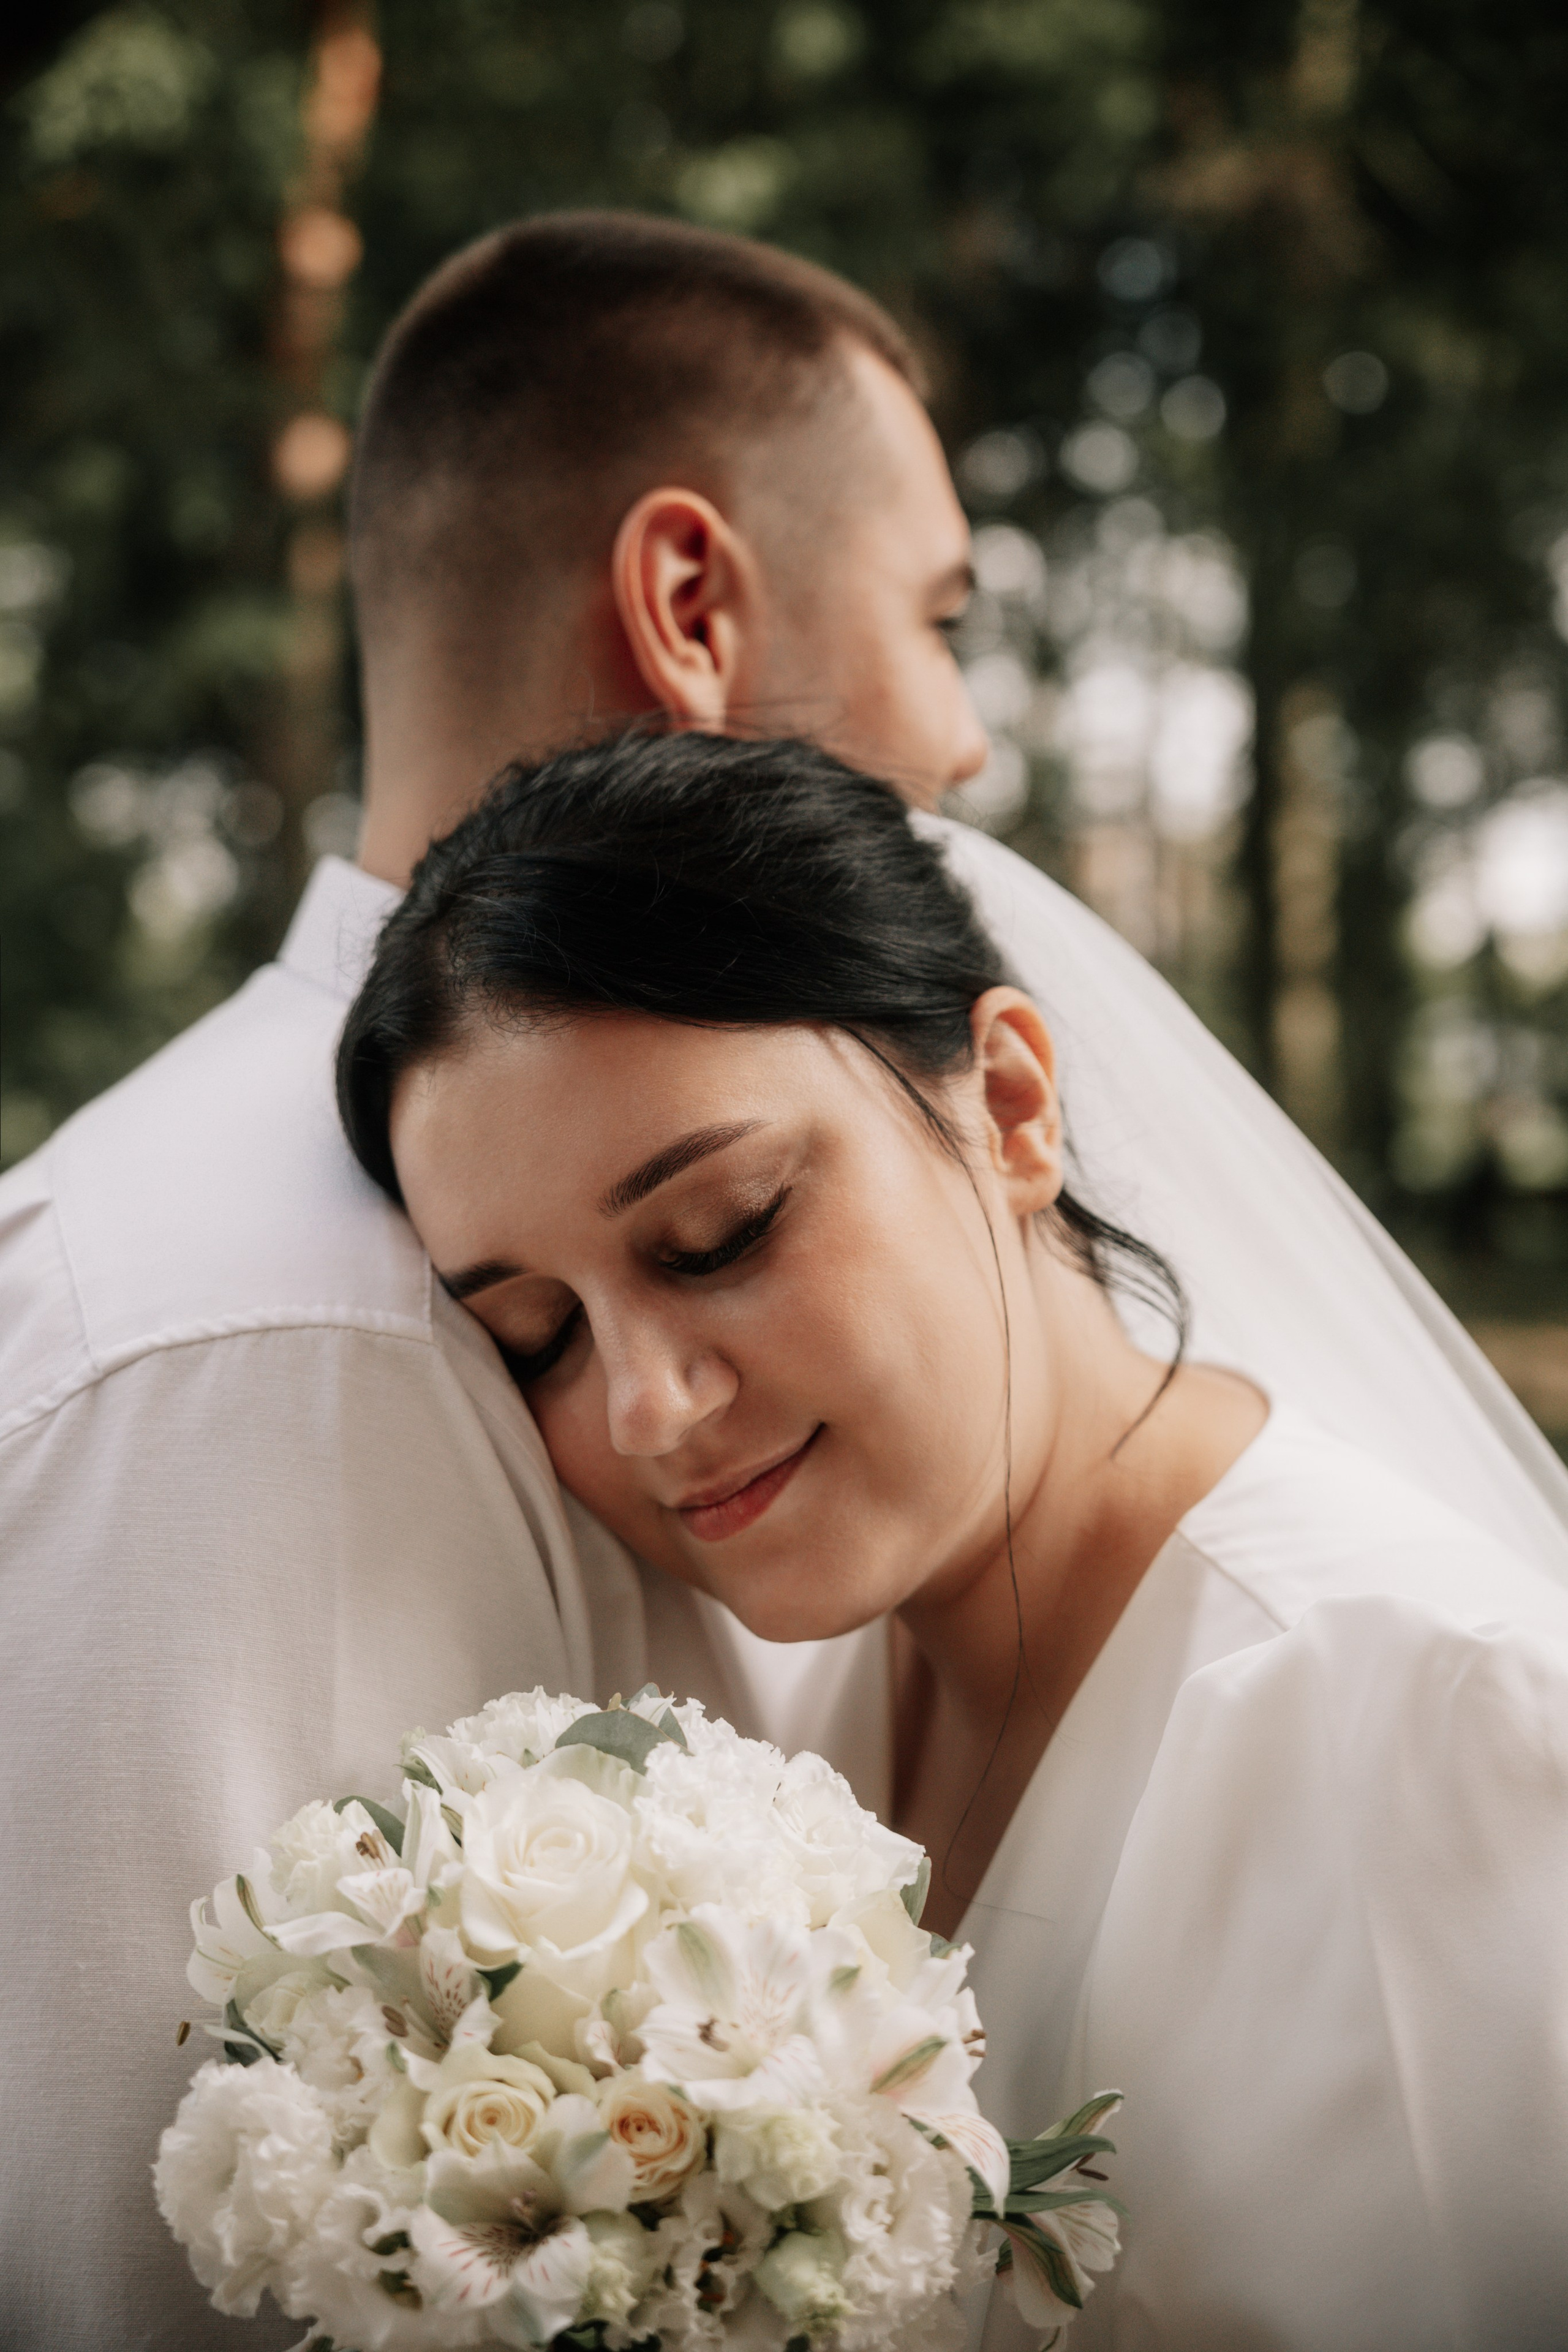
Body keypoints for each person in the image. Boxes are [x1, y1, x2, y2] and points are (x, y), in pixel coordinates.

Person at [0, 213, 992, 2349]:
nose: (966, 732)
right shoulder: (270, 1340)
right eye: (940, 615)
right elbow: (150, 2261)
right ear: (691, 606)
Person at [338, 729, 1568, 2352]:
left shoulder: (1444, 1723)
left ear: (1007, 1104)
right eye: (538, 1335)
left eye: (720, 1235)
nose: (644, 1407)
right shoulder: (761, 1768)